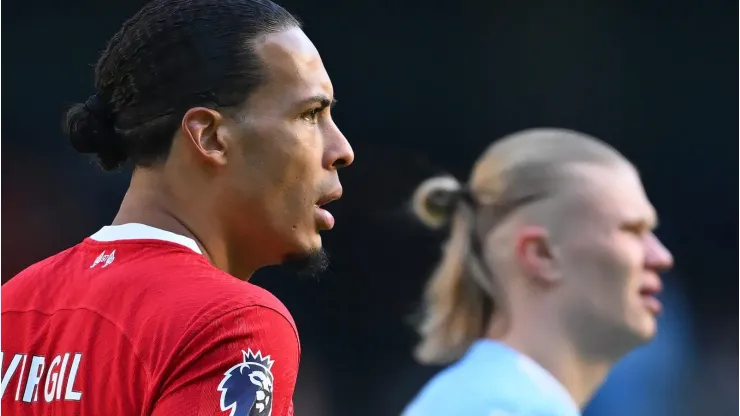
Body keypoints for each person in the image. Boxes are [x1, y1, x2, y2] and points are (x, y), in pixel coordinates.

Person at [1, 0, 353, 415]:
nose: (341, 150)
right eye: (311, 114)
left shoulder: (13, 305)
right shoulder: (232, 324)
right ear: (210, 137)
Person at [401, 128, 673, 416]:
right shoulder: (497, 407)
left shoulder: (491, 400)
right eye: (632, 230)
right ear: (541, 254)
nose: (661, 257)